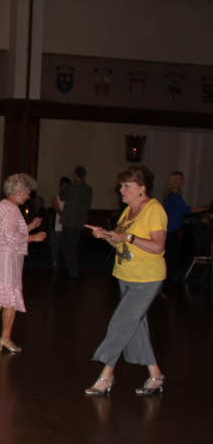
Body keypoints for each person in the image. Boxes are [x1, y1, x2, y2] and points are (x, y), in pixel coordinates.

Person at [84, 165, 168, 397]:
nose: (121, 190)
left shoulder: (154, 210)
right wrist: (107, 236)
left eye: (126, 186)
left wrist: (128, 236)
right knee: (136, 326)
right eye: (121, 185)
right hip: (125, 275)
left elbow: (158, 245)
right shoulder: (128, 211)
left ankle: (106, 375)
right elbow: (122, 243)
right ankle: (156, 375)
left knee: (121, 323)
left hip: (147, 278)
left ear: (142, 188)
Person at [0, 173, 46, 353]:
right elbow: (11, 237)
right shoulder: (11, 209)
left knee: (1, 299)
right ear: (18, 191)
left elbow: (8, 233)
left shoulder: (4, 206)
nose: (28, 196)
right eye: (27, 192)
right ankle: (3, 337)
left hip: (2, 257)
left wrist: (30, 228)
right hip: (7, 259)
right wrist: (34, 237)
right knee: (7, 298)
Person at [162, 171, 207, 286]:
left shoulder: (172, 196)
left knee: (171, 260)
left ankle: (166, 286)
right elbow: (186, 210)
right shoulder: (174, 196)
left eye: (183, 179)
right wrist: (204, 208)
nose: (183, 182)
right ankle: (166, 286)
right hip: (170, 234)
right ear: (174, 182)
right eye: (180, 180)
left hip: (171, 232)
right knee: (171, 261)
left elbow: (180, 213)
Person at [60, 165, 92, 279]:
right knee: (73, 246)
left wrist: (64, 188)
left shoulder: (70, 187)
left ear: (75, 175)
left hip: (69, 221)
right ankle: (73, 270)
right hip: (79, 222)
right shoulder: (88, 189)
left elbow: (62, 197)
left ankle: (73, 270)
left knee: (67, 247)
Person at [49, 176, 70, 271]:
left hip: (67, 228)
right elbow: (58, 210)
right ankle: (54, 263)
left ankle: (65, 265)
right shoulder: (56, 199)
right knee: (55, 246)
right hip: (56, 227)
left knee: (66, 247)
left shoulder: (70, 200)